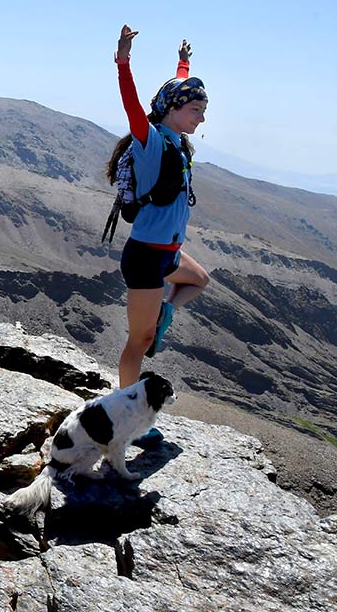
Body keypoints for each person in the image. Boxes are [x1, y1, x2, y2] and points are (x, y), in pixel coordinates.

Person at [109, 25, 210, 445]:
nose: (201, 118)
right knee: (140, 340)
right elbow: (135, 105)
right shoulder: (151, 141)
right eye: (196, 111)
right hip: (147, 256)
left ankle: (166, 310)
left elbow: (176, 91)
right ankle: (125, 417)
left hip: (169, 251)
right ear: (173, 110)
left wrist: (183, 62)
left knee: (199, 280)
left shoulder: (177, 140)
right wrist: (123, 61)